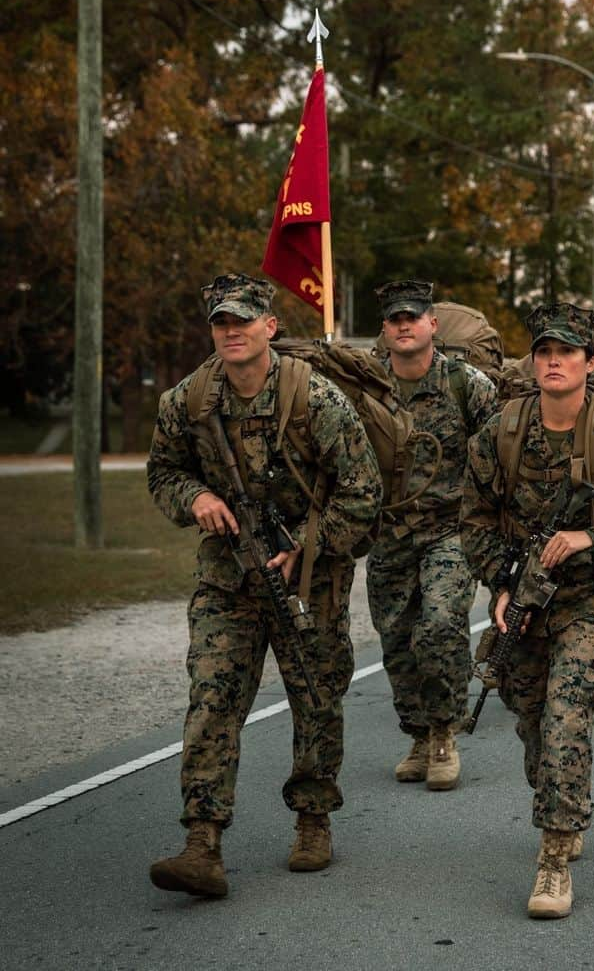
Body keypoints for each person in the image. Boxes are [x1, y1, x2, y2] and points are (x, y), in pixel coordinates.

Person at [146, 274, 382, 897]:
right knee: (213, 700)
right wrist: (194, 496)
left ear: (269, 327)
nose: (231, 331)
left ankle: (312, 817)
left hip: (310, 580)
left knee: (316, 694)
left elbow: (364, 493)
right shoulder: (188, 402)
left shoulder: (317, 400)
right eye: (222, 322)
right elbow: (163, 472)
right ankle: (202, 839)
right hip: (227, 579)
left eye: (243, 321)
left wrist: (308, 544)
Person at [461, 303, 594, 919]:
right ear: (534, 363)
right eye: (544, 352)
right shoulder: (502, 431)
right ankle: (562, 799)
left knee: (565, 721)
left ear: (589, 361)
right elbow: (473, 518)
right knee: (530, 719)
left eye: (567, 352)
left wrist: (593, 538)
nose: (554, 361)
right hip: (525, 599)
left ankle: (553, 857)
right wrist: (499, 585)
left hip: (593, 597)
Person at [367, 280, 499, 791]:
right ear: (385, 329)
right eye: (395, 319)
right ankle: (418, 734)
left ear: (431, 325)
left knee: (441, 622)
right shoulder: (368, 387)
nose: (404, 325)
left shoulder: (466, 385)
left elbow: (498, 457)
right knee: (397, 637)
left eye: (413, 317)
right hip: (390, 533)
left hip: (451, 529)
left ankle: (445, 732)